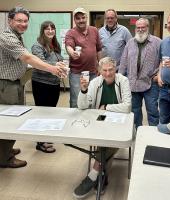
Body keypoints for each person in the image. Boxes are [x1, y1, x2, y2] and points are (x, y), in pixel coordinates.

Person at [0, 6, 65, 168]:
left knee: (13, 118)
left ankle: (6, 150)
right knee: (8, 121)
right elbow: (28, 57)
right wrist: (53, 68)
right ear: (10, 21)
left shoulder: (17, 36)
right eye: (19, 20)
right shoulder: (6, 37)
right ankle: (4, 158)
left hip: (16, 83)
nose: (23, 24)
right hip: (7, 84)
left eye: (25, 21)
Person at [73, 57, 131, 199]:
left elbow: (127, 106)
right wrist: (84, 90)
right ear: (99, 71)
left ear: (115, 69)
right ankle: (102, 174)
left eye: (110, 69)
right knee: (104, 140)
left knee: (110, 140)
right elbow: (82, 106)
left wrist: (106, 107)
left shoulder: (123, 81)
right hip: (100, 122)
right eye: (104, 70)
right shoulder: (95, 82)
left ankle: (93, 175)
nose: (107, 73)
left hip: (120, 122)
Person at [119, 18, 161, 129]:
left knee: (152, 110)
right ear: (135, 28)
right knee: (135, 111)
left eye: (143, 27)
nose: (140, 29)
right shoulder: (130, 43)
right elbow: (123, 61)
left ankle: (153, 133)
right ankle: (138, 132)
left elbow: (164, 61)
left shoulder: (157, 42)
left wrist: (160, 74)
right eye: (138, 27)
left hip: (150, 83)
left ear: (148, 27)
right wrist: (119, 78)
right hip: (133, 83)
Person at [31, 21, 65, 153]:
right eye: (47, 29)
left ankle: (45, 136)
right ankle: (40, 143)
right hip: (41, 84)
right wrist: (57, 66)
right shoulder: (37, 45)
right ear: (42, 31)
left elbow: (57, 61)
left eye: (52, 28)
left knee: (50, 111)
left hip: (54, 83)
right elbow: (40, 64)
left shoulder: (55, 45)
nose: (50, 31)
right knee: (42, 112)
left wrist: (62, 66)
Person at [65, 7, 102, 108]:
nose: (81, 20)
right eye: (78, 18)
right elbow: (69, 46)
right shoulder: (70, 33)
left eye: (83, 17)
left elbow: (98, 49)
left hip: (93, 72)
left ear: (86, 18)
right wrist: (72, 53)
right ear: (74, 20)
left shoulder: (94, 30)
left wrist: (100, 65)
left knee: (92, 98)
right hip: (77, 73)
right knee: (76, 99)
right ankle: (74, 122)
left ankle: (89, 121)